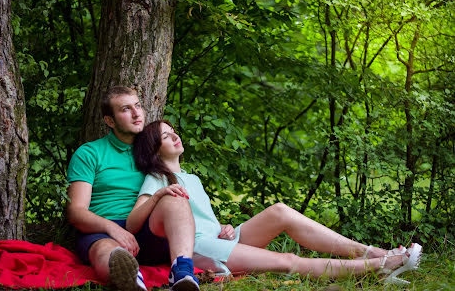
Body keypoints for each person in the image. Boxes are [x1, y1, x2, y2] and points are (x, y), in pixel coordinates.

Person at [127, 120, 422, 285]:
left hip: (217, 239)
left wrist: (225, 227)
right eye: (166, 136)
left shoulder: (193, 178)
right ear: (154, 150)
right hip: (200, 248)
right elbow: (134, 221)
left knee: (280, 211)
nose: (175, 135)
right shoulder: (157, 177)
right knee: (286, 261)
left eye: (173, 130)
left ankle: (371, 251)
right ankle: (379, 265)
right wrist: (160, 195)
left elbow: (204, 221)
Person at [66, 87, 200, 291]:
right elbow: (76, 211)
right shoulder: (90, 153)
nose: (137, 113)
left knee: (175, 197)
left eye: (137, 106)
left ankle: (182, 273)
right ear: (110, 121)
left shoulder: (154, 150)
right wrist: (113, 228)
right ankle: (129, 279)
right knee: (107, 251)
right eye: (126, 109)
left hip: (149, 229)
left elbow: (187, 186)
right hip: (104, 229)